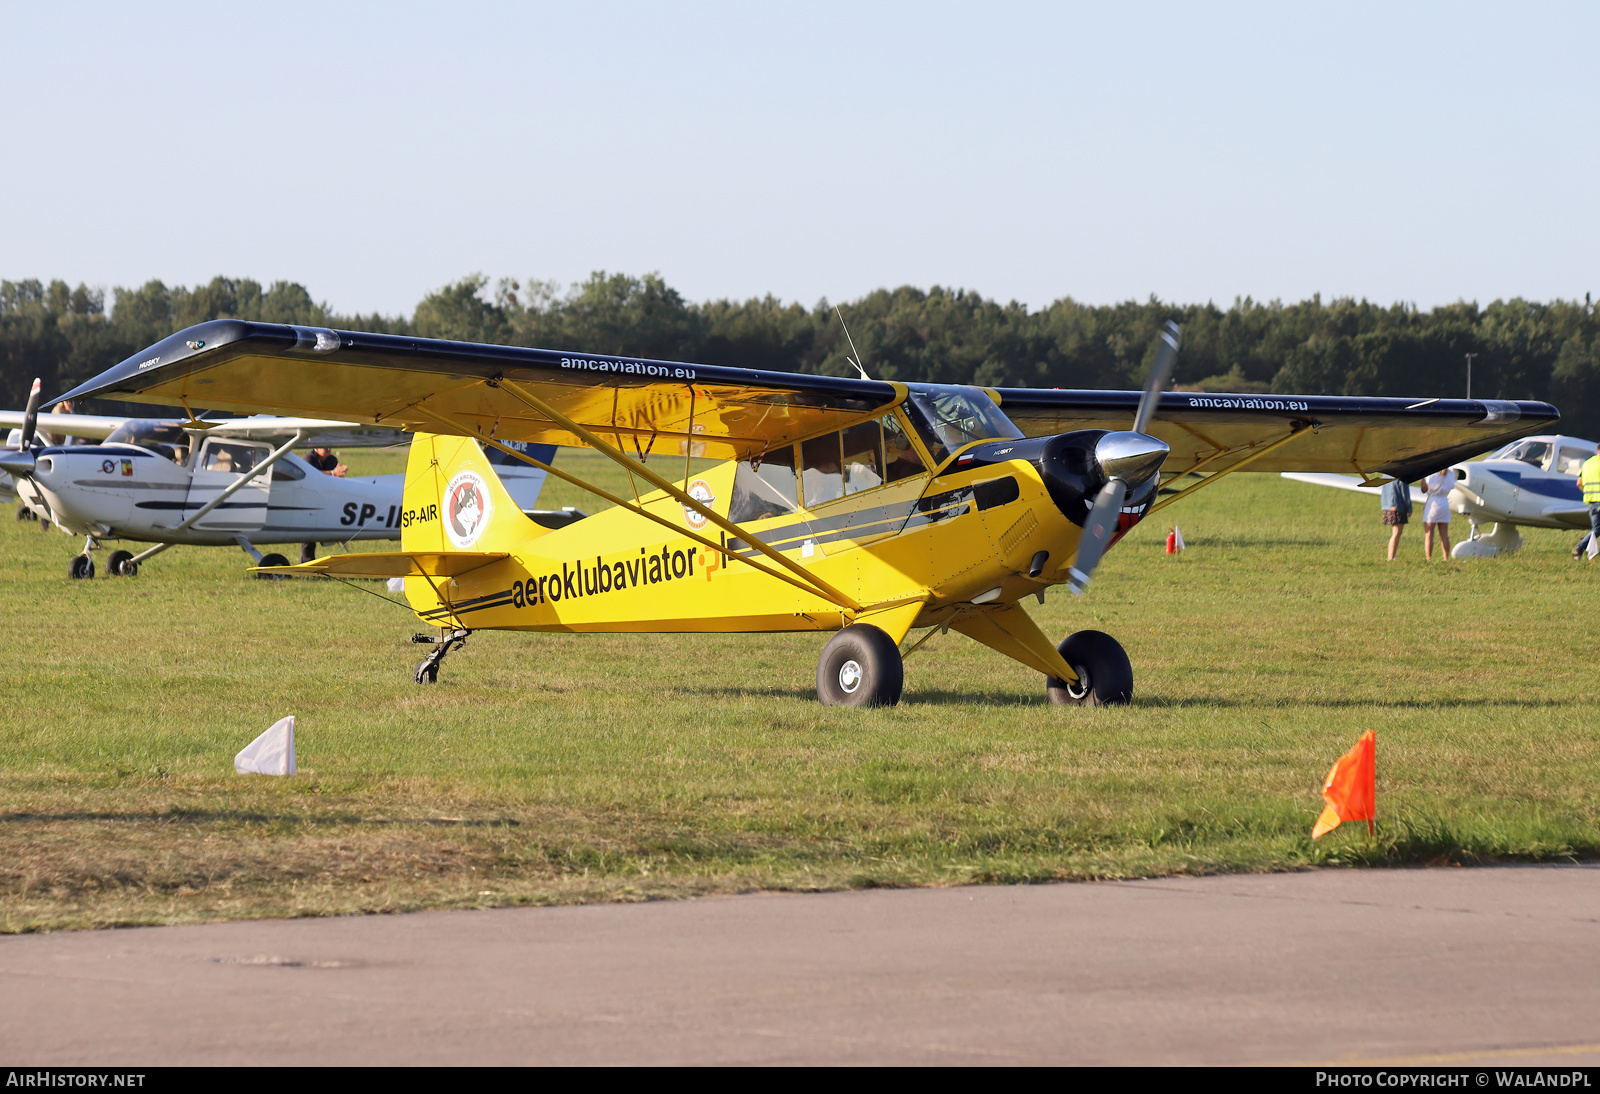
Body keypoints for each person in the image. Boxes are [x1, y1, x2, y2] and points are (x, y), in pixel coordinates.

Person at [1420, 469, 1454, 560]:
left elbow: (1424, 489)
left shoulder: (1431, 474)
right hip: (1444, 502)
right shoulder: (1450, 474)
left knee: (1429, 534)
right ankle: (1446, 557)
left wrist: (1422, 480)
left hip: (1433, 502)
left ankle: (1429, 557)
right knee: (1444, 534)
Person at [1381, 477, 1412, 561]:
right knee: (1396, 533)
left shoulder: (1385, 474)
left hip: (1388, 505)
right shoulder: (1401, 475)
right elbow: (1405, 493)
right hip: (1398, 506)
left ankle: (1391, 556)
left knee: (1395, 533)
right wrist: (1409, 508)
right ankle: (1391, 557)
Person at [1578, 448, 1600, 560]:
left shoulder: (1587, 463)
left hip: (1590, 500)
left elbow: (1578, 483)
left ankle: (1579, 549)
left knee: (1596, 529)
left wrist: (1587, 493)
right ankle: (1580, 547)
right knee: (1597, 529)